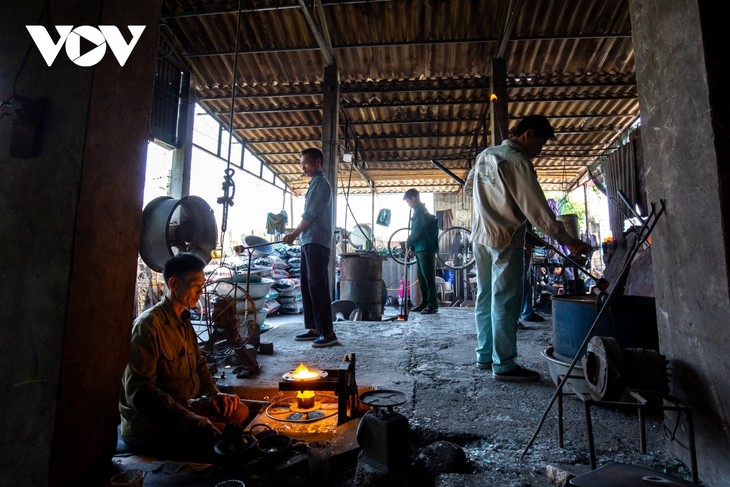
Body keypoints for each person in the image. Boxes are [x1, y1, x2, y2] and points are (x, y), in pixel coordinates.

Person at [464, 115, 591, 382]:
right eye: (541, 144)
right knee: (505, 301)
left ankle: (485, 355)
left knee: (485, 296)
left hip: (480, 236)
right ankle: (504, 364)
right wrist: (567, 240)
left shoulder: (486, 155)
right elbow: (537, 211)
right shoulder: (518, 162)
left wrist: (493, 198)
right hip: (505, 238)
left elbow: (468, 189)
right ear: (528, 134)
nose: (540, 151)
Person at [119, 253, 248, 457]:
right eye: (195, 285)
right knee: (228, 440)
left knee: (240, 411)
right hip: (151, 424)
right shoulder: (148, 327)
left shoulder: (183, 319)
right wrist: (188, 418)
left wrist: (215, 394)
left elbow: (199, 363)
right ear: (174, 284)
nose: (200, 291)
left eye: (203, 284)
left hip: (184, 406)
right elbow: (140, 393)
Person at [283, 148, 339, 347]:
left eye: (306, 163)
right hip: (309, 241)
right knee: (308, 285)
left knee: (318, 286)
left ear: (318, 162)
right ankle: (316, 328)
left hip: (317, 241)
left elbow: (310, 215)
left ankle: (328, 332)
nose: (303, 167)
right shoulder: (314, 183)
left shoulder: (320, 183)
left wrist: (293, 235)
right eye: (302, 163)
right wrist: (298, 236)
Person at [403, 188, 440, 314]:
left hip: (426, 248)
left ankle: (432, 304)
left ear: (414, 198)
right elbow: (417, 232)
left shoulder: (421, 211)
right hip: (420, 248)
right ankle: (424, 302)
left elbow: (417, 231)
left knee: (428, 278)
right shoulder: (417, 212)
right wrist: (412, 248)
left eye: (408, 201)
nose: (409, 204)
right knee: (422, 277)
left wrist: (408, 242)